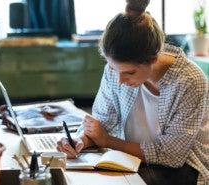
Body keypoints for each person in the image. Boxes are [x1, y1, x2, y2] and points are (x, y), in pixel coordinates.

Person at [56, 0, 209, 185]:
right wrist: (79, 140)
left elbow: (172, 156)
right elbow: (102, 123)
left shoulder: (190, 81)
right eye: (114, 69)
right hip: (132, 158)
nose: (120, 80)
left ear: (153, 58)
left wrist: (108, 141)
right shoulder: (115, 71)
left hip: (183, 168)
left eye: (129, 72)